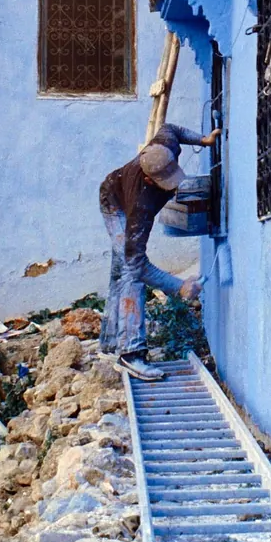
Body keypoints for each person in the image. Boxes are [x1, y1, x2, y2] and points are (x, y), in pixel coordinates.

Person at [99, 122, 220, 381]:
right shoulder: (140, 206)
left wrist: (204, 140)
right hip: (114, 202)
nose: (173, 186)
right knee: (130, 274)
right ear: (148, 179)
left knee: (123, 268)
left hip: (120, 187)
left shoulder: (166, 143)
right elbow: (138, 265)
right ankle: (130, 354)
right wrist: (179, 286)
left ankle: (110, 343)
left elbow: (172, 128)